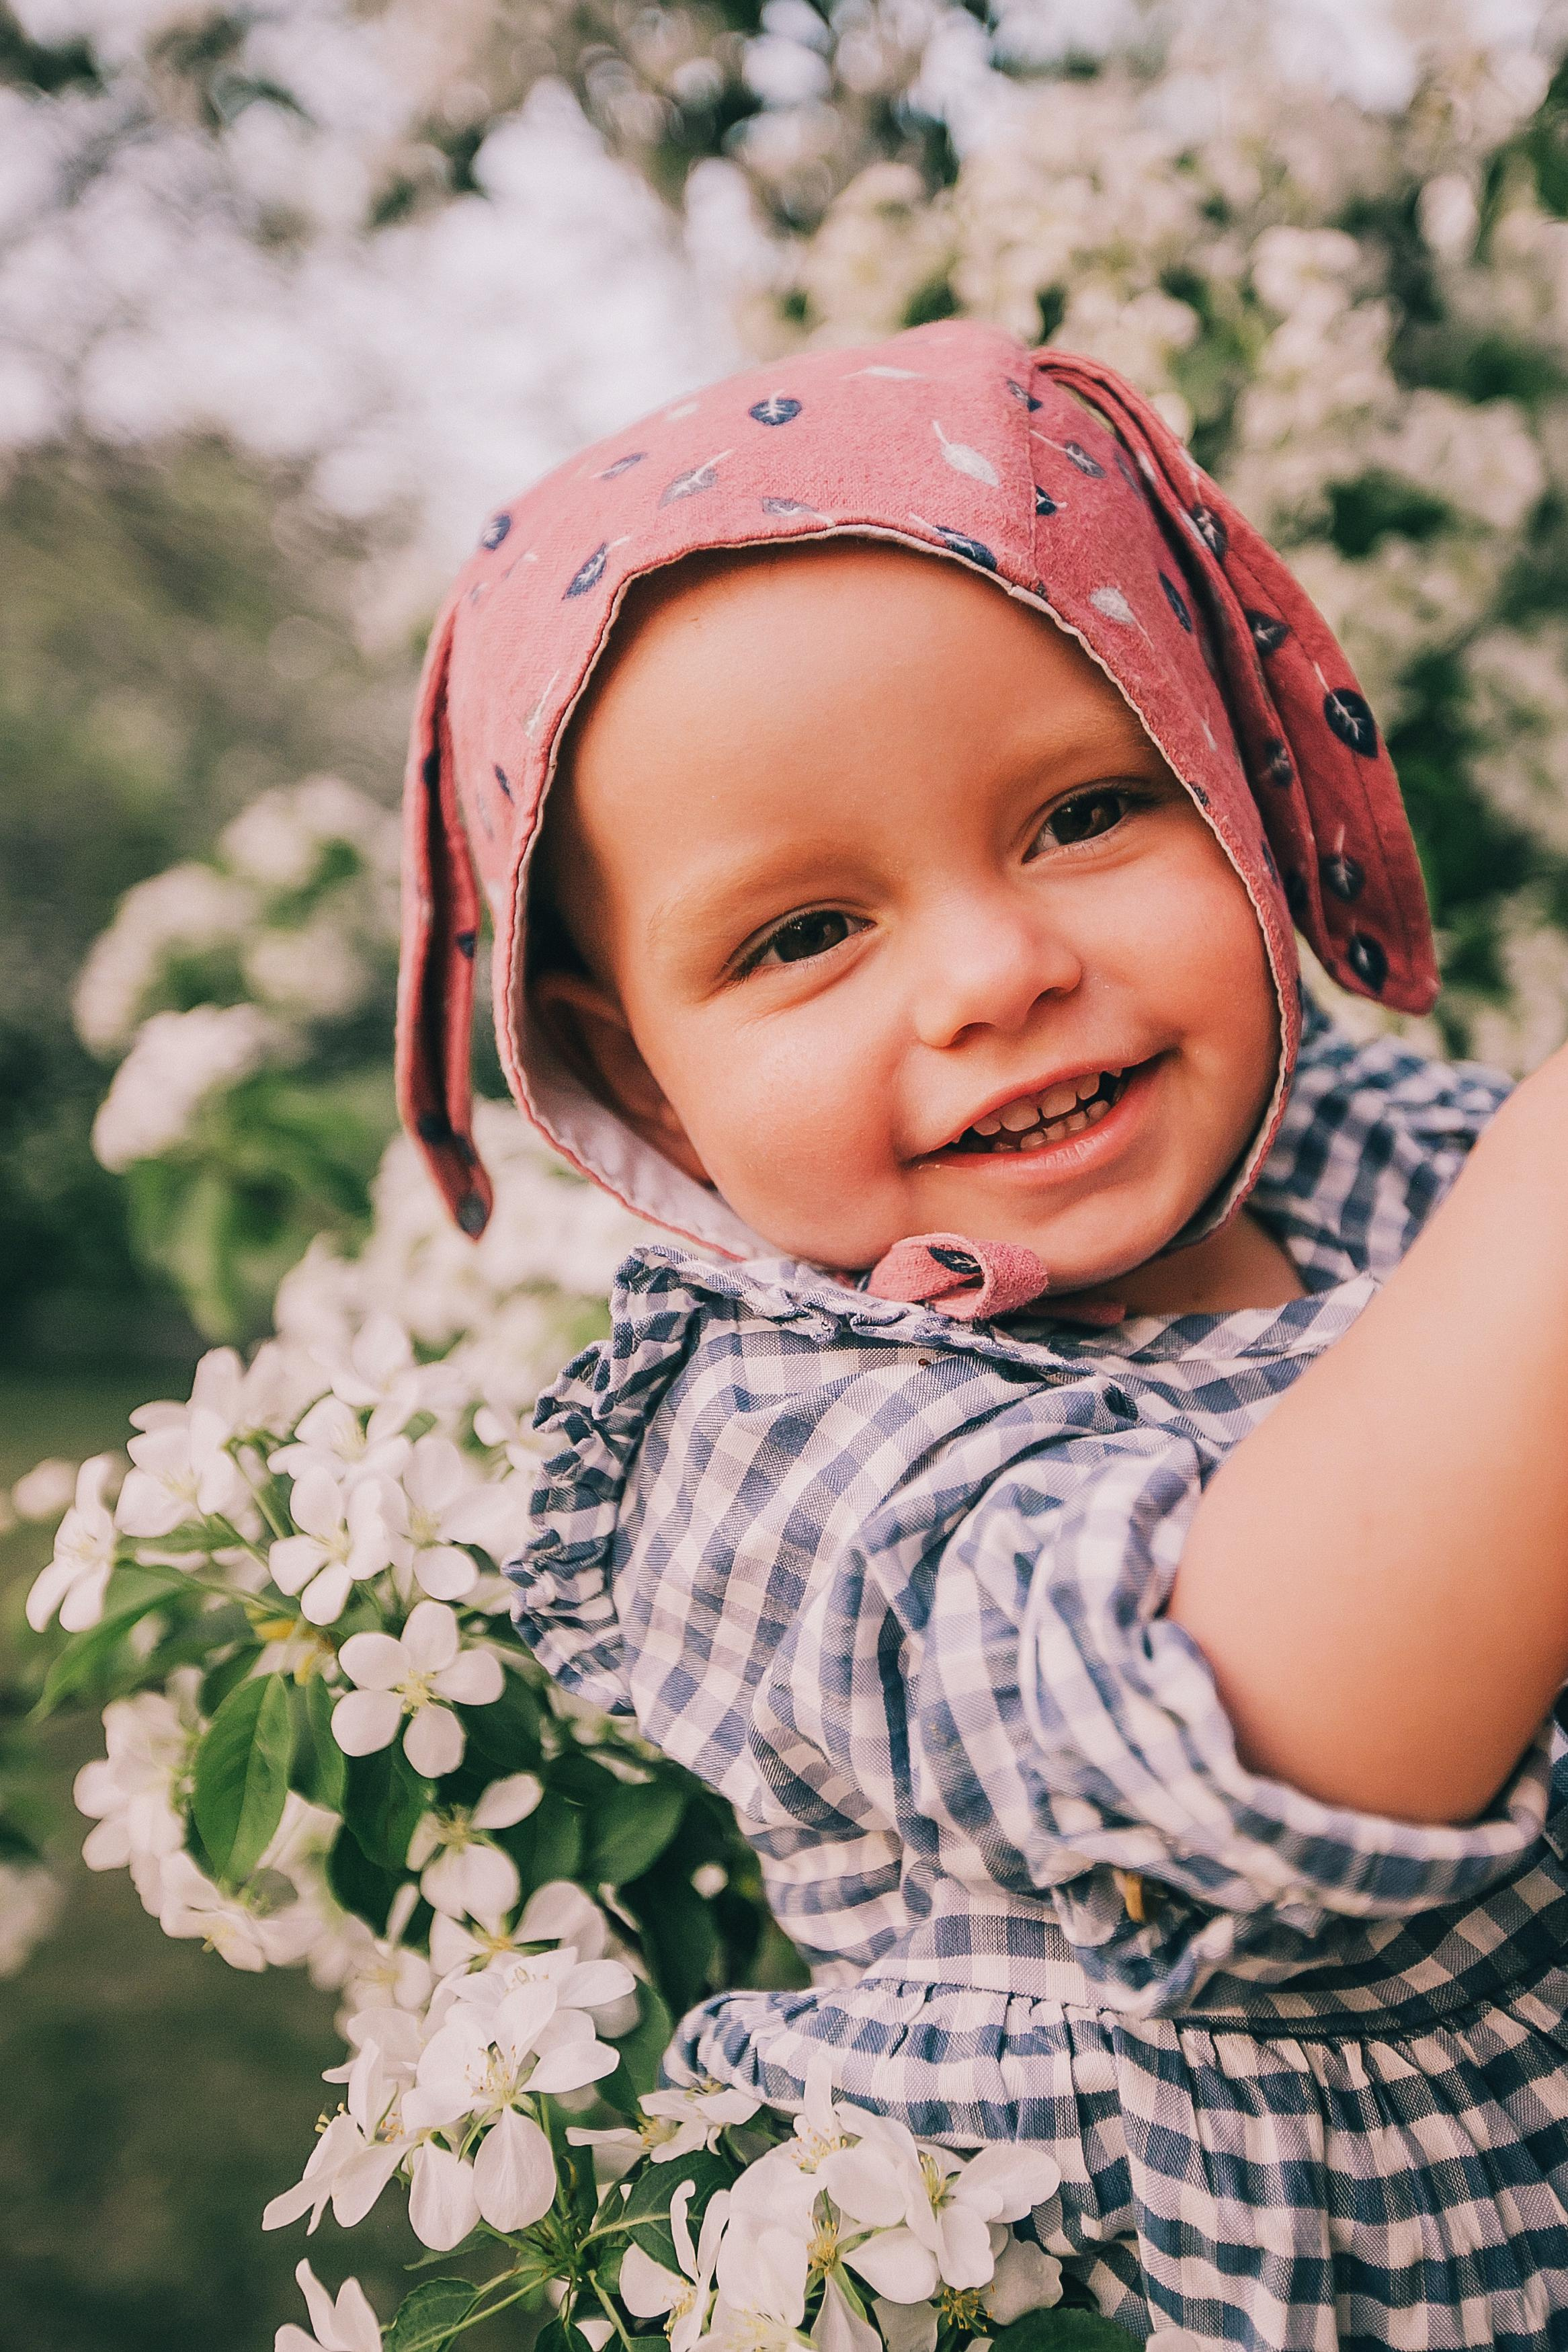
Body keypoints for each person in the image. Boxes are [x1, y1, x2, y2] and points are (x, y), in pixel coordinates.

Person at [395, 319, 1568, 2348]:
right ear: (646, 1081)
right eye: (802, 934)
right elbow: (1245, 1741)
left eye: (1089, 812)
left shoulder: (1381, 1151)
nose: (999, 969)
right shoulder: (763, 1446)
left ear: (1235, 783)